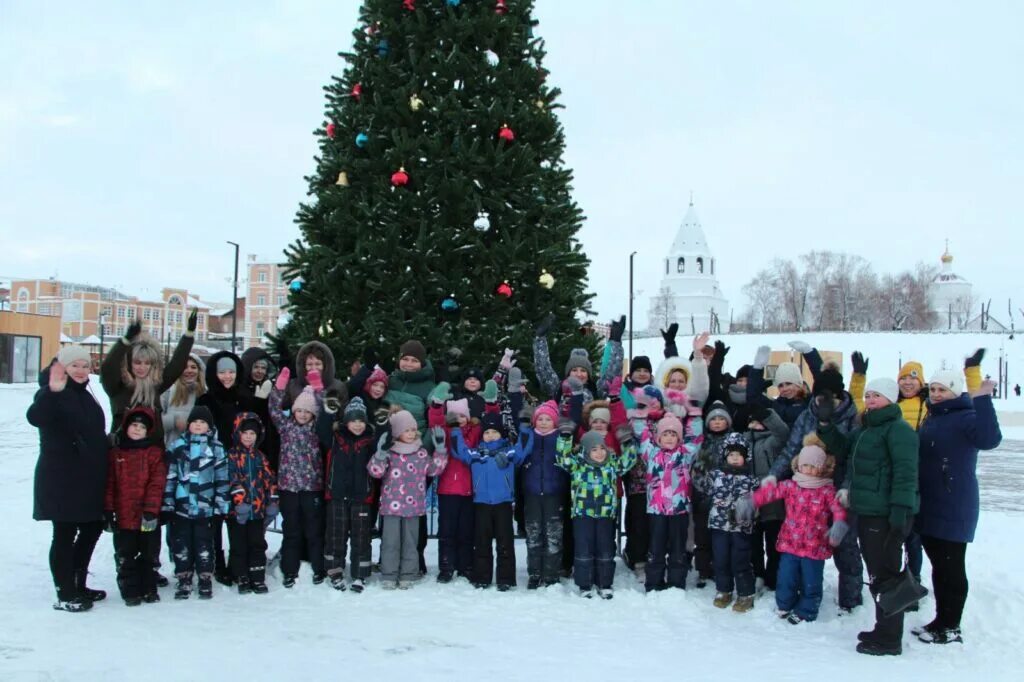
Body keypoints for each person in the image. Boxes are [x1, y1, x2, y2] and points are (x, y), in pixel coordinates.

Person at [817, 377, 919, 656]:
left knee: (885, 575)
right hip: (868, 511)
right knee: (877, 573)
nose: (871, 400)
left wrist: (900, 510)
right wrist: (825, 424)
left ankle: (890, 638)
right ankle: (883, 628)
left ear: (891, 399)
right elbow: (841, 447)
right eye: (869, 395)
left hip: (886, 514)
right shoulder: (866, 429)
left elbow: (906, 473)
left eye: (877, 395)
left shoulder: (899, 431)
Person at [914, 370, 1001, 645]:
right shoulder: (931, 417)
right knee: (939, 566)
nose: (937, 395)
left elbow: (989, 440)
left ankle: (951, 626)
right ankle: (941, 620)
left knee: (951, 567)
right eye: (934, 390)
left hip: (954, 503)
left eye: (943, 390)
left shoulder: (967, 416)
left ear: (955, 391)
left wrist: (984, 399)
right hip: (929, 502)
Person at [26, 347, 109, 612]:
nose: (82, 370)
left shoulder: (84, 394)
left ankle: (78, 583)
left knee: (92, 527)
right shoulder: (52, 393)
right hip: (62, 476)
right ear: (62, 367)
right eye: (75, 365)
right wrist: (52, 390)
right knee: (64, 533)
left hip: (88, 476)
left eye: (86, 365)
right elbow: (35, 417)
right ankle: (65, 593)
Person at [738, 443, 848, 623]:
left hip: (814, 547)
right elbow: (769, 493)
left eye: (814, 466)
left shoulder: (827, 490)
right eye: (806, 465)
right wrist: (751, 502)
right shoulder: (791, 485)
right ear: (798, 465)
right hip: (791, 543)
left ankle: (807, 610)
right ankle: (784, 604)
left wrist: (838, 526)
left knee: (811, 581)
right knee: (785, 577)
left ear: (822, 468)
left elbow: (838, 510)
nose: (809, 470)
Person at [556, 421, 637, 599]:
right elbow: (562, 457)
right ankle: (585, 584)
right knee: (583, 549)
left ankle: (604, 582)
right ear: (585, 450)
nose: (599, 453)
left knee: (605, 548)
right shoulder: (578, 464)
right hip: (582, 515)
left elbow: (629, 460)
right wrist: (565, 437)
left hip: (605, 515)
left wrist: (627, 442)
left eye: (602, 448)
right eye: (594, 449)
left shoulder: (611, 464)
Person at [368, 412, 448, 589]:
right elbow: (375, 471)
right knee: (390, 542)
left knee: (411, 542)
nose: (411, 433)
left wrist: (440, 450)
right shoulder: (390, 453)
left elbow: (434, 470)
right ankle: (389, 574)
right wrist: (380, 454)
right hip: (391, 507)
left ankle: (408, 574)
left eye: (413, 430)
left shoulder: (420, 453)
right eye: (406, 430)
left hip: (414, 507)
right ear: (397, 432)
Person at [451, 413, 530, 590]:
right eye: (487, 432)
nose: (491, 435)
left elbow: (523, 448)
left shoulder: (509, 452)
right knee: (481, 542)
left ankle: (506, 579)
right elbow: (459, 450)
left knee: (505, 543)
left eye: (495, 431)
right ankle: (482, 577)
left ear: (502, 434)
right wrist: (455, 430)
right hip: (482, 504)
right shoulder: (477, 454)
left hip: (503, 503)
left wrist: (525, 427)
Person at [196, 350, 253, 586]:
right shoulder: (206, 400)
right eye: (222, 372)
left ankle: (236, 565)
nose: (227, 376)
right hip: (214, 465)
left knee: (237, 517)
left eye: (231, 371)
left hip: (240, 465)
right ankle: (216, 564)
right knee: (215, 518)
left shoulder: (245, 398)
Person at [163, 406, 229, 600]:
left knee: (204, 544)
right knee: (181, 544)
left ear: (209, 426)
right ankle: (183, 578)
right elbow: (171, 477)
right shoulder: (178, 446)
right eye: (195, 422)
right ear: (189, 425)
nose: (198, 425)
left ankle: (205, 577)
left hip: (205, 507)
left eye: (203, 422)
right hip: (181, 508)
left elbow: (222, 478)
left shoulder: (216, 448)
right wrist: (168, 503)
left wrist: (220, 505)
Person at [104, 406, 167, 606]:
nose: (137, 429)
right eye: (134, 425)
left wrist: (151, 510)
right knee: (126, 553)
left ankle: (148, 587)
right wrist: (108, 510)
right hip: (123, 516)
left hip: (147, 515)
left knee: (148, 553)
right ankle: (129, 589)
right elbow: (109, 484)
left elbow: (157, 484)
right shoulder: (116, 453)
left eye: (142, 426)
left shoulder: (154, 453)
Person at [269, 367, 326, 587]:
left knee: (313, 529)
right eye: (299, 410)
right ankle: (289, 570)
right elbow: (273, 408)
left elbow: (324, 409)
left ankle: (318, 567)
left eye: (306, 412)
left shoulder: (316, 429)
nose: (302, 414)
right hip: (288, 487)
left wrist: (318, 386)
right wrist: (279, 386)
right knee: (291, 530)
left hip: (311, 486)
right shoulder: (285, 427)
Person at [100, 314, 197, 439]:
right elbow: (109, 366)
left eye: (147, 363)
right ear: (129, 363)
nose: (142, 367)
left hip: (153, 452)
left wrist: (188, 334)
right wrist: (125, 341)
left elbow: (176, 365)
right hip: (123, 452)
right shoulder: (117, 387)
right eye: (137, 362)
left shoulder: (155, 385)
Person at [318, 397, 377, 592]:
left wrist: (383, 424)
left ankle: (360, 574)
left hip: (362, 496)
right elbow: (321, 430)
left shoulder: (370, 440)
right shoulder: (336, 438)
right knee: (336, 535)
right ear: (345, 422)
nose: (358, 425)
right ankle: (334, 570)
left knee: (361, 537)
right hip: (337, 495)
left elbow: (383, 447)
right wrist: (327, 413)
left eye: (361, 420)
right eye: (353, 420)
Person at [695, 433, 757, 612]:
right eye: (731, 454)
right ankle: (724, 590)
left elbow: (758, 502)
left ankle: (745, 594)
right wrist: (700, 466)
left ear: (746, 457)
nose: (735, 458)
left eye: (739, 454)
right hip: (719, 526)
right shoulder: (716, 475)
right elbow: (701, 484)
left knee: (740, 560)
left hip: (741, 528)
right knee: (720, 559)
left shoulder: (751, 480)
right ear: (725, 457)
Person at [636, 413, 699, 592]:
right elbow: (642, 433)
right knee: (656, 549)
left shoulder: (685, 454)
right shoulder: (651, 453)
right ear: (658, 437)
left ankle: (676, 584)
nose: (669, 438)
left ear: (679, 438)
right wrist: (641, 413)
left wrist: (694, 413)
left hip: (679, 511)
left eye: (673, 434)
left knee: (678, 550)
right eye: (665, 434)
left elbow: (696, 436)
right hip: (657, 511)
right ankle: (654, 583)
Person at [226, 412, 279, 595]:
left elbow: (269, 479)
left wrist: (272, 500)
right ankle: (241, 575)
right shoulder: (232, 456)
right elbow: (231, 479)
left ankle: (257, 576)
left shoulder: (260, 457)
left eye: (253, 434)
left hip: (257, 511)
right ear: (238, 433)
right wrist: (239, 501)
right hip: (238, 512)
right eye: (245, 433)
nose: (249, 437)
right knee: (239, 544)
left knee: (257, 543)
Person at [519, 400, 569, 589]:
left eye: (548, 419)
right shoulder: (529, 436)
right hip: (532, 494)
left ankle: (551, 574)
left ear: (555, 422)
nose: (544, 422)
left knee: (553, 536)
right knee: (533, 535)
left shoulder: (560, 438)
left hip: (553, 493)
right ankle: (534, 573)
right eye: (540, 418)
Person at [744, 405, 790, 592]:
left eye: (760, 421)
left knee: (774, 542)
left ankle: (773, 576)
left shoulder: (773, 441)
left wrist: (768, 414)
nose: (756, 424)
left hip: (773, 502)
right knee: (754, 543)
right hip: (751, 501)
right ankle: (757, 574)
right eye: (753, 421)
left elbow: (783, 432)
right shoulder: (742, 441)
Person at [160, 354, 207, 448]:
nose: (189, 370)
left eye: (193, 367)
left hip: (201, 450)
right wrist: (173, 421)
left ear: (199, 370)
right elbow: (156, 421)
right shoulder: (168, 391)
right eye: (184, 367)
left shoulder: (206, 393)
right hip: (173, 449)